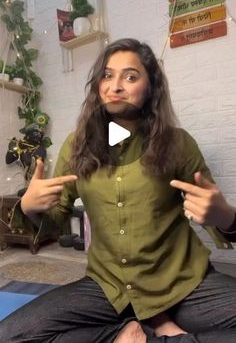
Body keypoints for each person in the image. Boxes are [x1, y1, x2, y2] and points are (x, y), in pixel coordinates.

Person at [1, 38, 236, 343]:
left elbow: (219, 217)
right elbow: (56, 220)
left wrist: (225, 215)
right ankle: (126, 334)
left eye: (130, 76)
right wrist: (29, 207)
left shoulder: (178, 143)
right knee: (10, 335)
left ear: (150, 87)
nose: (116, 86)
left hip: (182, 284)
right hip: (109, 288)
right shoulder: (77, 145)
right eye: (107, 76)